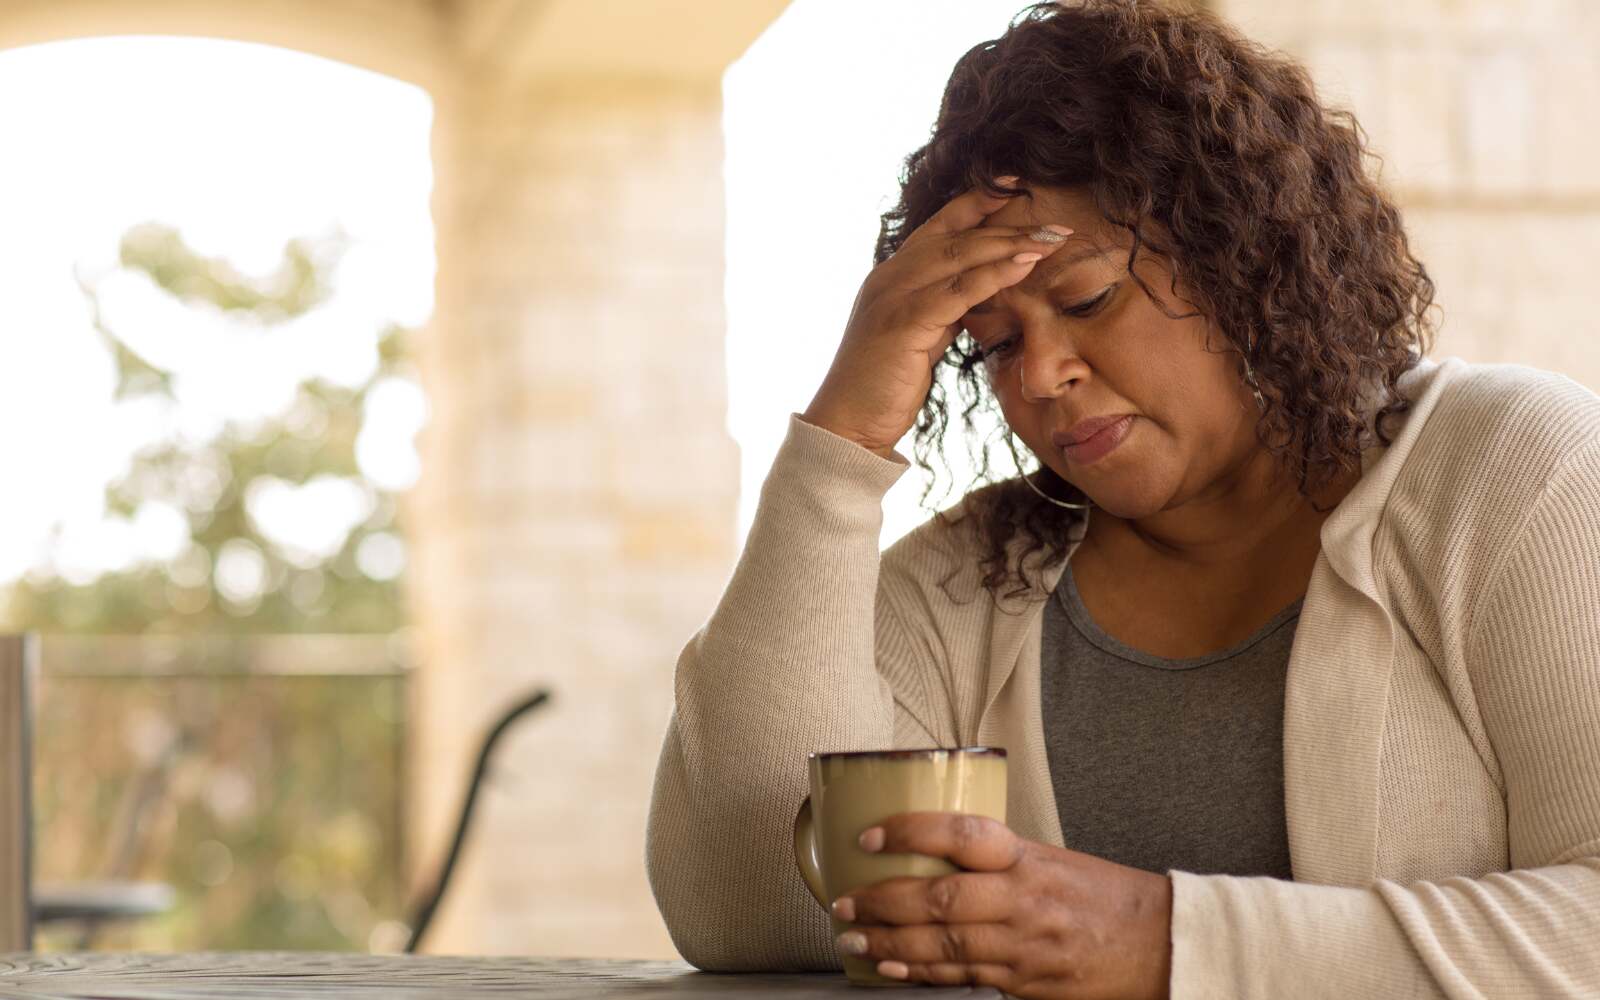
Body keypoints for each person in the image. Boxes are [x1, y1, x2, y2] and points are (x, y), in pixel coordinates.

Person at [645, 1, 1600, 997]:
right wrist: (843, 438)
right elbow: (753, 906)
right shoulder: (968, 588)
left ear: (1239, 255)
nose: (1041, 375)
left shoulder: (1512, 477)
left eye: (1087, 297)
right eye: (994, 343)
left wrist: (1161, 940)